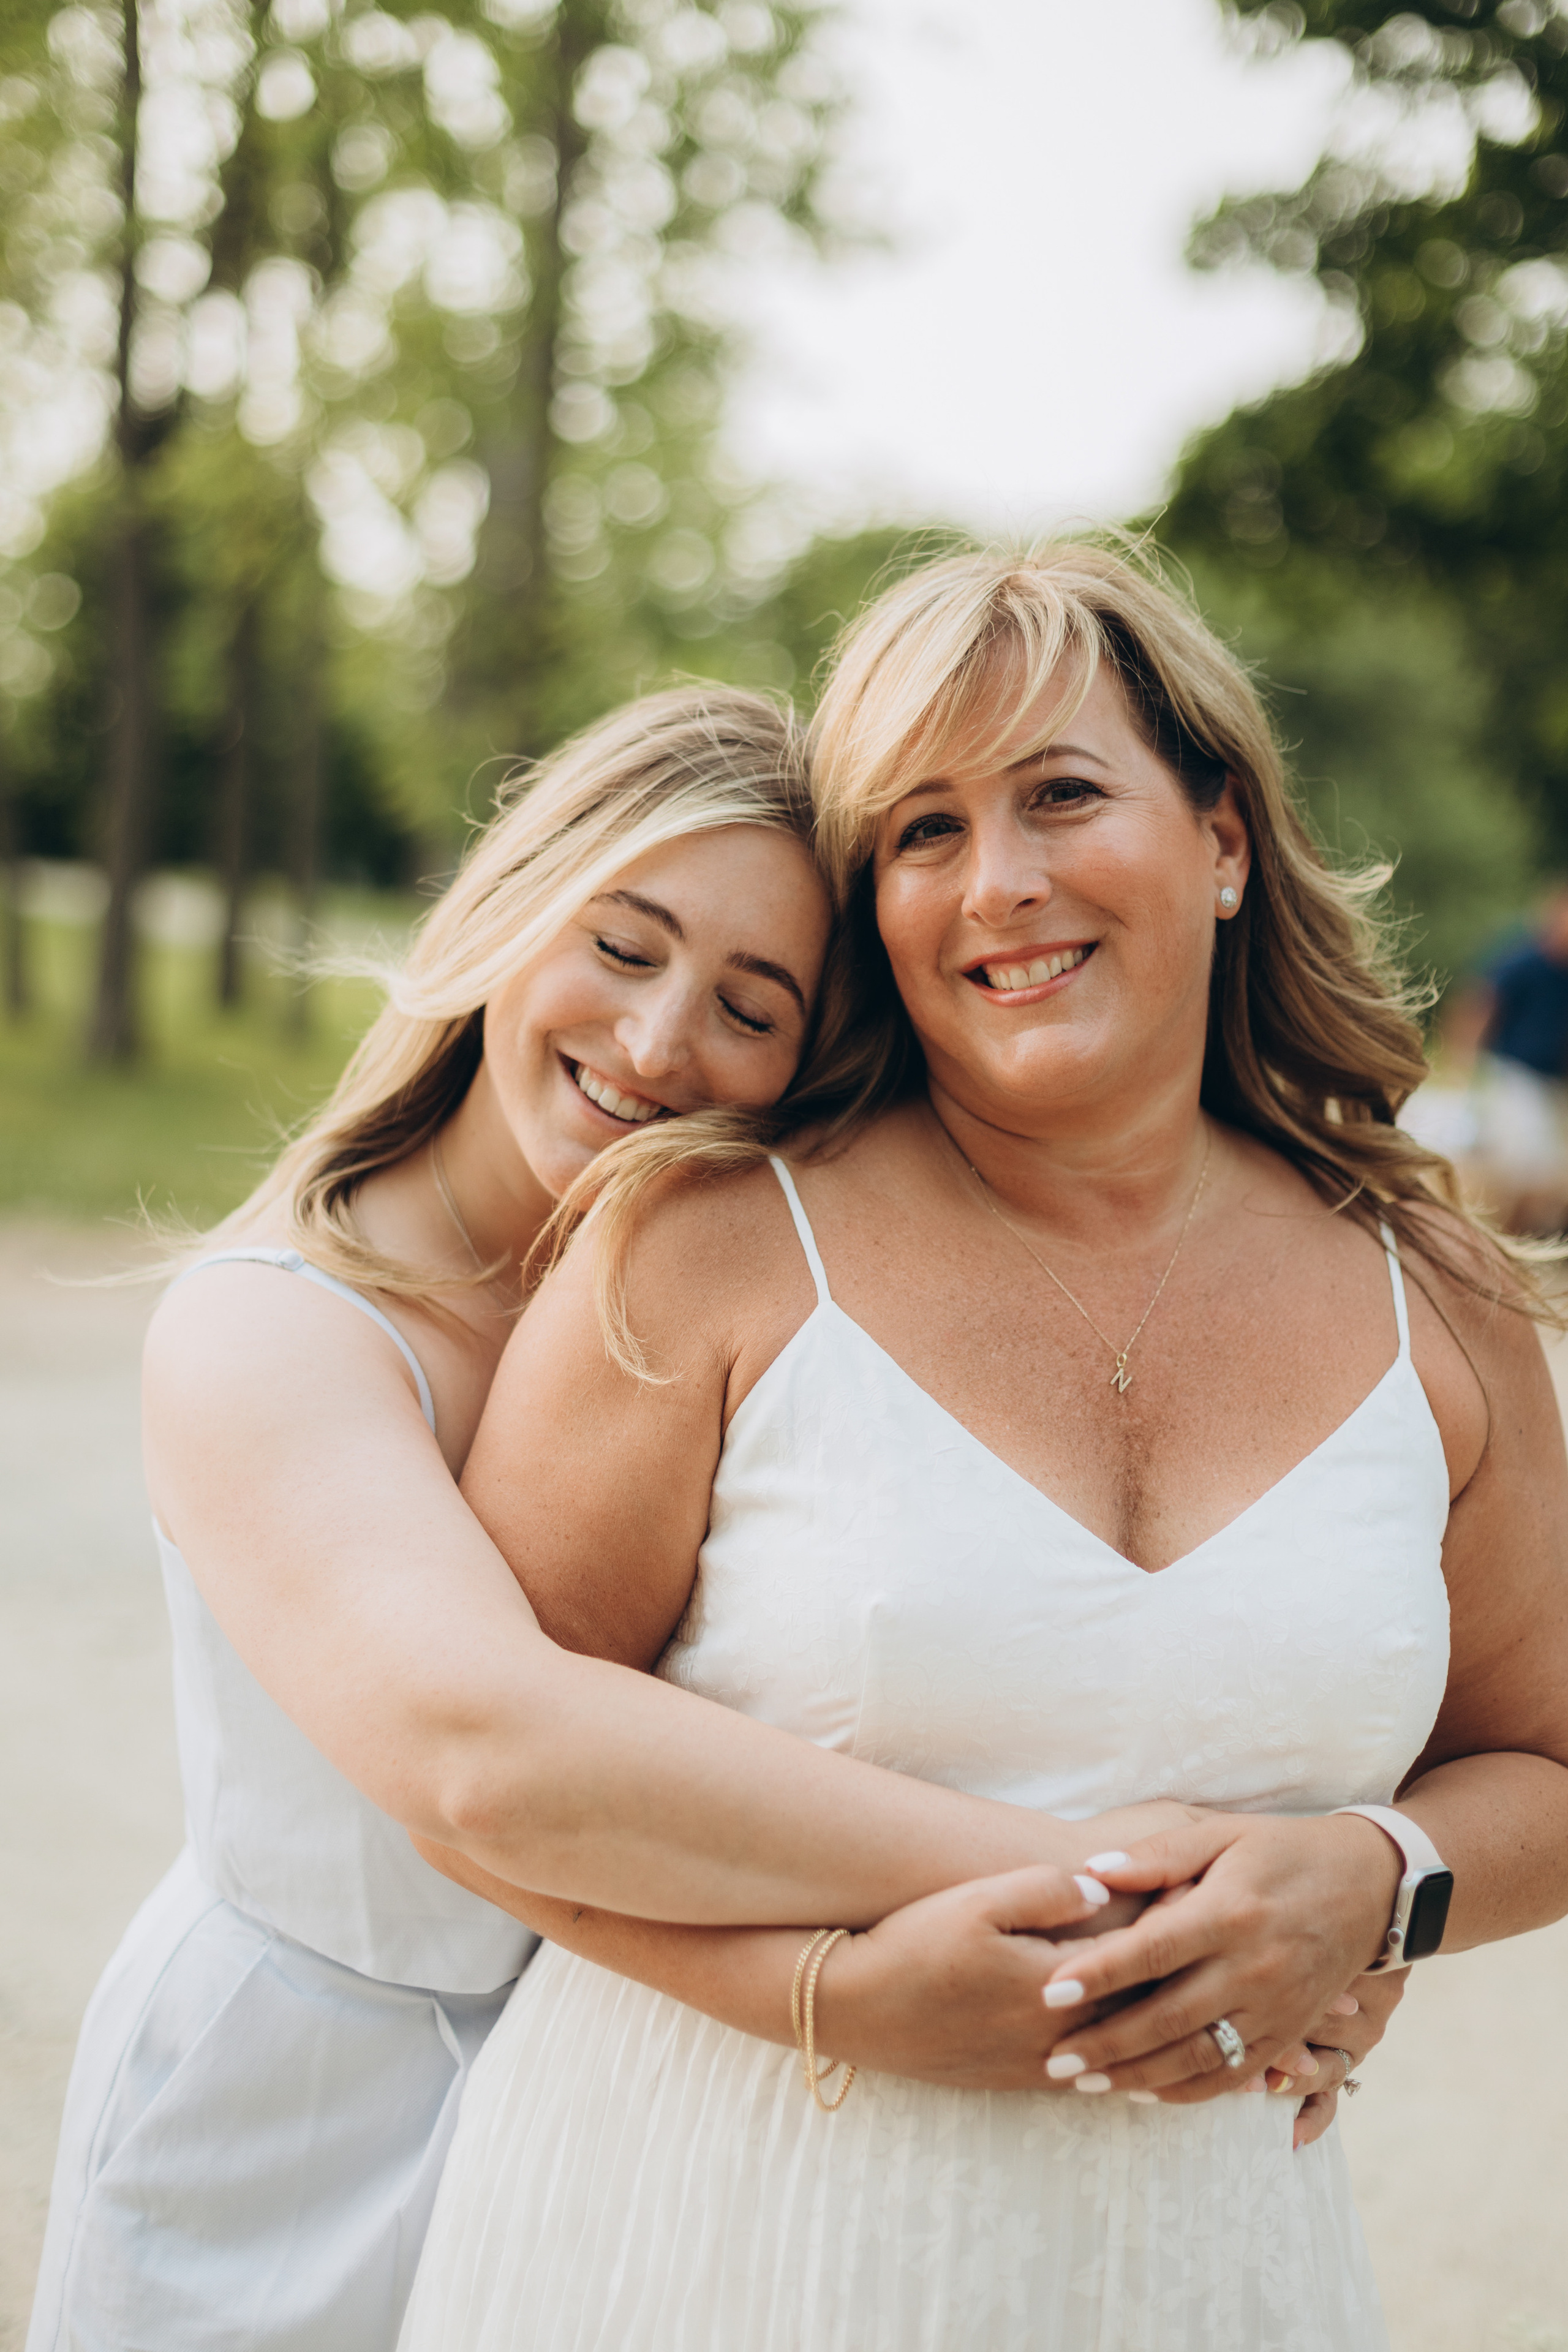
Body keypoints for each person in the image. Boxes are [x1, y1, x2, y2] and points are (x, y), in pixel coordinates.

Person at [31, 684, 1340, 2352]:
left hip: (625, 2117)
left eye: (749, 1005)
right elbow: (483, 1748)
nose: (658, 1045)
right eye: (623, 947)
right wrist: (1172, 1920)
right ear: (510, 912)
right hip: (286, 2122)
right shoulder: (274, 1327)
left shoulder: (744, 1324)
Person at [399, 546, 1568, 2352]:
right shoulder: (702, 1248)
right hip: (703, 2243)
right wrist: (821, 1992)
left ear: (1224, 839)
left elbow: (1545, 1760)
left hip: (1207, 2276)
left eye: (1062, 795)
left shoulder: (1441, 1295)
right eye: (923, 833)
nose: (998, 883)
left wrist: (1375, 1883)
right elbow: (487, 1787)